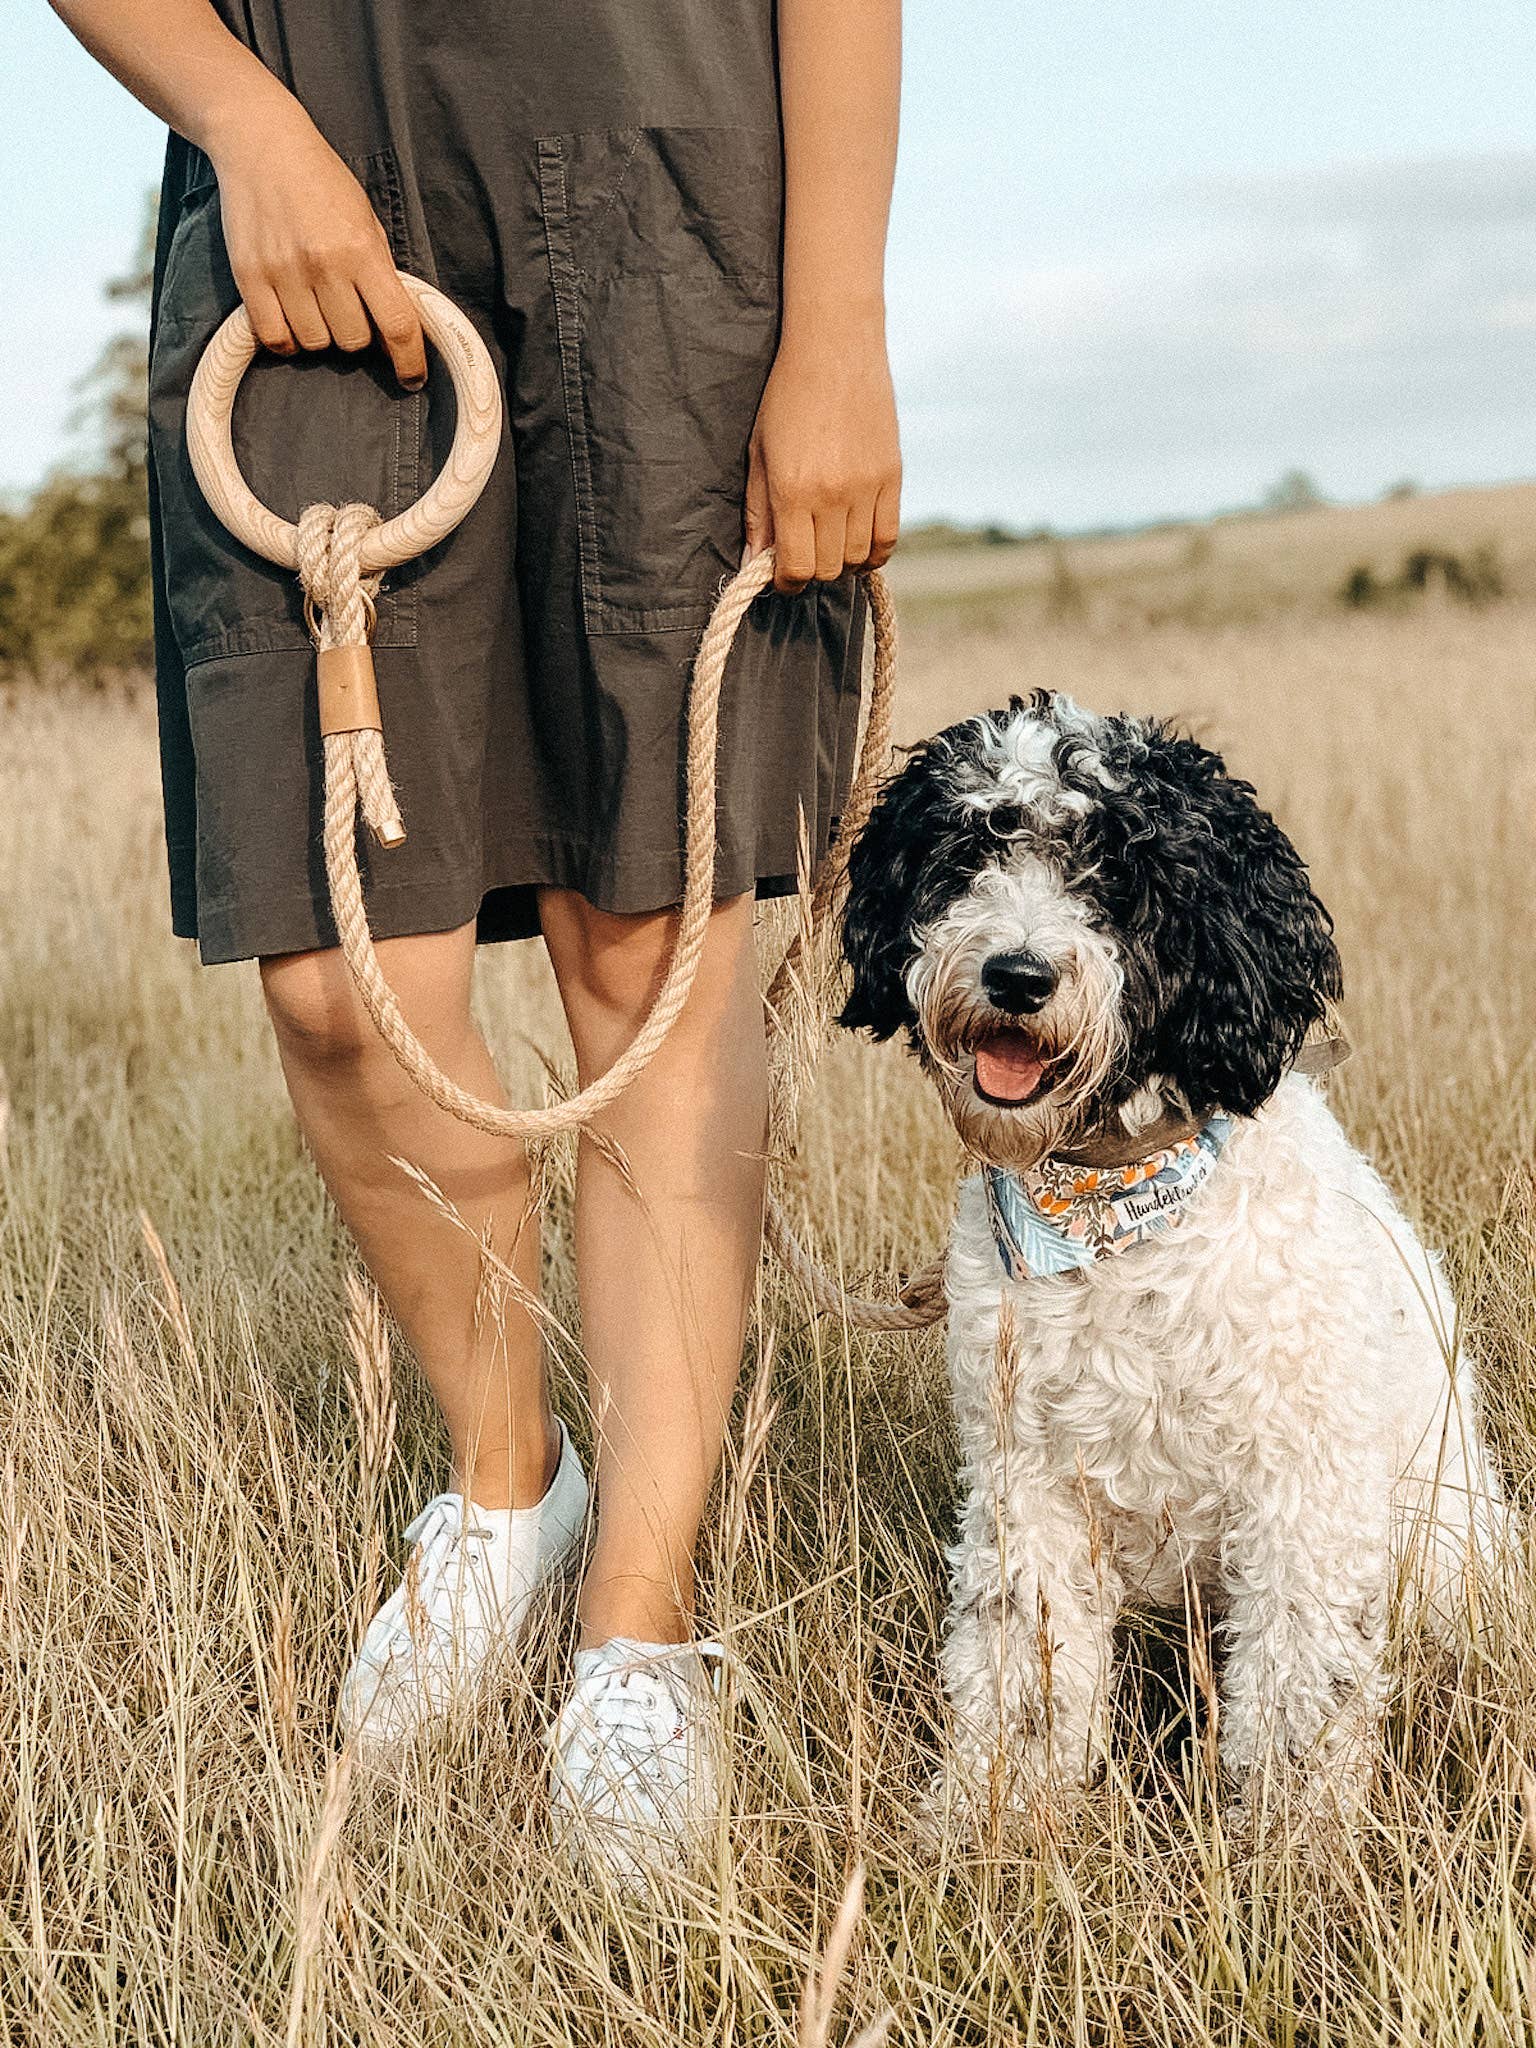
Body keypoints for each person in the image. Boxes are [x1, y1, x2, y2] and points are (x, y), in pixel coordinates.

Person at [54, 0, 901, 1877]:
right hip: (303, 168)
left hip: (677, 172)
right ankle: (506, 1480)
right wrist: (241, 123)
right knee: (335, 978)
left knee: (647, 937)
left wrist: (838, 320)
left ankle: (639, 1620)